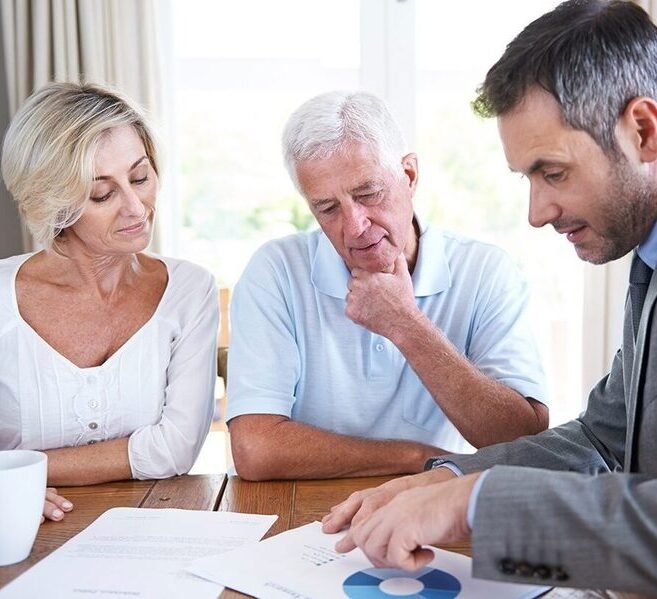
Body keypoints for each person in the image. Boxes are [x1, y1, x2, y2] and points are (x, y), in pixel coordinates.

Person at [322, 0, 657, 593]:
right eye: (527, 177)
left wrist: (476, 502)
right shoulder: (648, 264)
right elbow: (603, 439)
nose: (536, 212)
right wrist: (448, 478)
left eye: (553, 172)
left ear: (643, 131)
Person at [226, 90, 549, 481]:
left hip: (430, 502)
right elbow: (256, 450)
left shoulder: (485, 270)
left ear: (409, 175)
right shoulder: (276, 271)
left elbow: (523, 440)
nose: (355, 226)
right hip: (309, 501)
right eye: (328, 208)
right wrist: (417, 457)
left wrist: (405, 324)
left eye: (368, 194)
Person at [0, 82, 219, 521]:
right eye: (102, 193)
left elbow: (175, 448)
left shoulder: (190, 290)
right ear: (54, 204)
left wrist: (15, 473)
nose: (136, 207)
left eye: (140, 178)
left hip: (154, 524)